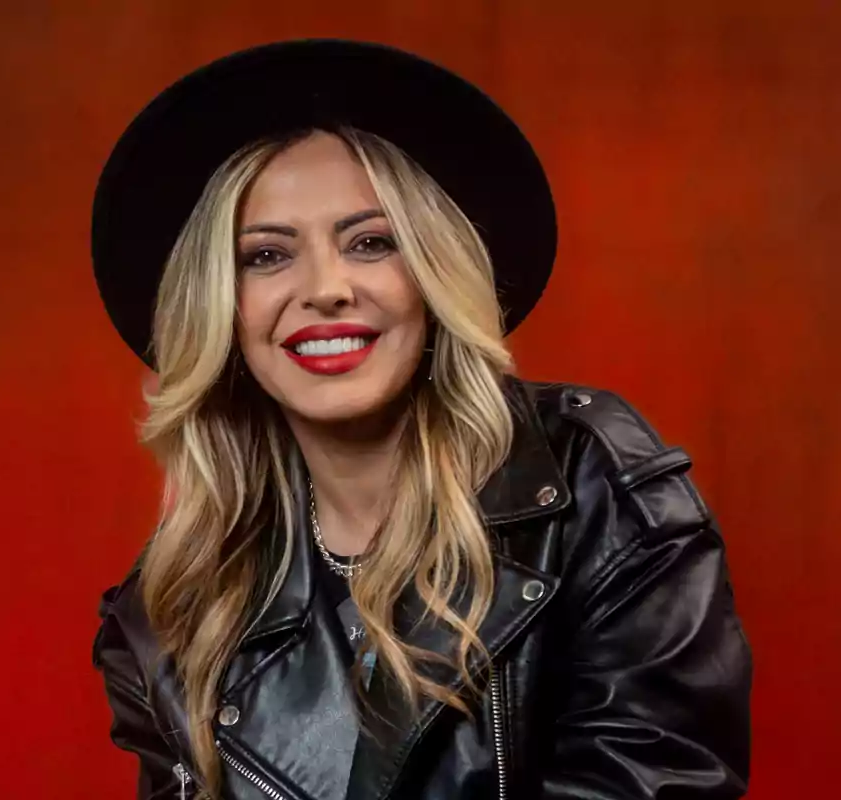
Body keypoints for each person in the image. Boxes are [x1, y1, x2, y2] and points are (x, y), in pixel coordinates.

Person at [89, 39, 752, 800]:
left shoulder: (593, 487)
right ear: (220, 310)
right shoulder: (175, 606)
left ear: (435, 275)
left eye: (371, 243)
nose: (325, 288)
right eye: (265, 257)